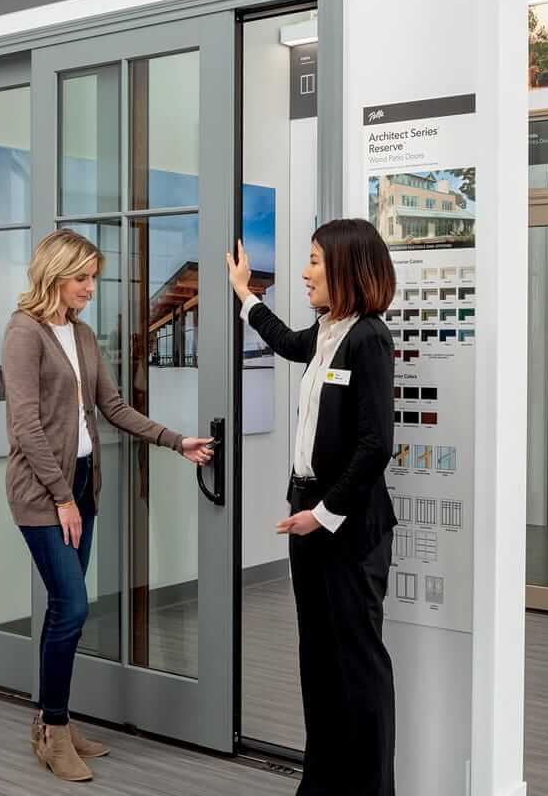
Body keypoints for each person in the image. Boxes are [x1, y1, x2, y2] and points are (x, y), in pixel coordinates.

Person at [2, 228, 214, 783]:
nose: (91, 287)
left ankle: (54, 719)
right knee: (71, 607)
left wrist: (176, 440)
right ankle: (51, 730)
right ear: (55, 275)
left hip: (82, 482)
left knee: (64, 607)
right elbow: (24, 426)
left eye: (94, 277)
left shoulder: (84, 334)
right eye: (82, 278)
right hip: (42, 490)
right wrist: (63, 498)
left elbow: (113, 406)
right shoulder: (24, 333)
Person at [226, 218, 398, 796]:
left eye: (316, 262)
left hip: (346, 523)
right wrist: (246, 295)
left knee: (357, 662)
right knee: (318, 662)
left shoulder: (369, 337)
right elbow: (286, 341)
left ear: (348, 268)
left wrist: (323, 513)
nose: (305, 272)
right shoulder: (326, 331)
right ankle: (320, 784)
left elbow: (377, 444)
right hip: (308, 513)